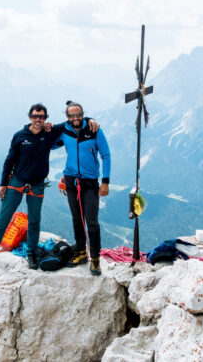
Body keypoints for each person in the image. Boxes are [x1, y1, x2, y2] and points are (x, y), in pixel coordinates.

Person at [0, 103, 98, 269]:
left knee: (35, 220)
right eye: (35, 116)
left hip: (37, 184)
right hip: (17, 181)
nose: (38, 120)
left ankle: (31, 252)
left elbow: (72, 121)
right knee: (4, 217)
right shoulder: (19, 136)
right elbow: (9, 160)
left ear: (45, 118)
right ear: (30, 117)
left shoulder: (49, 133)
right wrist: (3, 184)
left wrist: (89, 119)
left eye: (41, 117)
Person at [55, 100, 111, 276]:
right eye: (71, 115)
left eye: (79, 114)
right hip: (71, 182)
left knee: (92, 221)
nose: (75, 118)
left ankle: (95, 259)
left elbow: (106, 155)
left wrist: (106, 182)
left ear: (83, 114)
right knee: (76, 219)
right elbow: (49, 143)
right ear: (67, 117)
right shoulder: (64, 130)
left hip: (89, 182)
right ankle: (80, 253)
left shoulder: (94, 130)